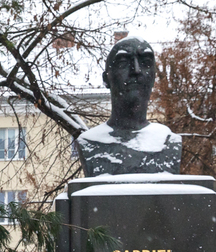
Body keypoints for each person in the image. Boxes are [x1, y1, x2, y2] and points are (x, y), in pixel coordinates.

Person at [76, 36, 181, 176]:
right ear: (106, 79)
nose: (136, 70)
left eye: (146, 62)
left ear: (154, 77)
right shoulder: (89, 143)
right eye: (123, 63)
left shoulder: (169, 143)